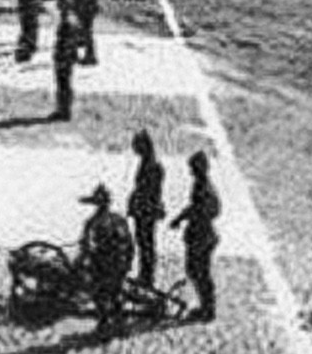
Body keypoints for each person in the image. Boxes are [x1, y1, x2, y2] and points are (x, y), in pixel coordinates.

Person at [76, 183, 134, 337]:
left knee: (101, 295)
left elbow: (86, 246)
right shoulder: (119, 219)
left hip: (103, 264)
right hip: (119, 264)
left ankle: (104, 327)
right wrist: (128, 263)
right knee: (116, 294)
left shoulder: (93, 222)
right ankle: (120, 325)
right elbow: (130, 244)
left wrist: (80, 262)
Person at [170, 150, 220, 322]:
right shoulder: (201, 185)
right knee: (195, 271)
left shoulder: (204, 187)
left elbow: (200, 209)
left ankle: (208, 308)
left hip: (201, 236)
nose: (191, 171)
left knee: (200, 272)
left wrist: (181, 218)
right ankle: (205, 306)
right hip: (200, 234)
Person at [126, 130, 166, 288]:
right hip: (143, 209)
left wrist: (137, 203)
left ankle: (147, 276)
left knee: (146, 244)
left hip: (146, 211)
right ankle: (145, 274)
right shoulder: (148, 163)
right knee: (144, 243)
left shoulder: (152, 166)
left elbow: (147, 190)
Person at [49, 0, 80, 121]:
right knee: (63, 84)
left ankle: (64, 111)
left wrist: (62, 59)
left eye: (60, 6)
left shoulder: (67, 22)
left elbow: (67, 42)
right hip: (66, 57)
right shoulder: (71, 19)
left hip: (64, 58)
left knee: (63, 84)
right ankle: (62, 109)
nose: (58, 8)